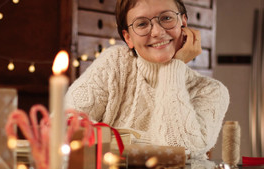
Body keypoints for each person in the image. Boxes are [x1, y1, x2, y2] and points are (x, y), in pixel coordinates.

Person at [65, 0, 229, 159]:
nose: (157, 32)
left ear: (183, 23)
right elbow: (63, 123)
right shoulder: (114, 63)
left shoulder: (211, 91)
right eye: (142, 24)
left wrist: (174, 67)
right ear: (128, 38)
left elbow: (181, 149)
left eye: (166, 18)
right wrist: (151, 147)